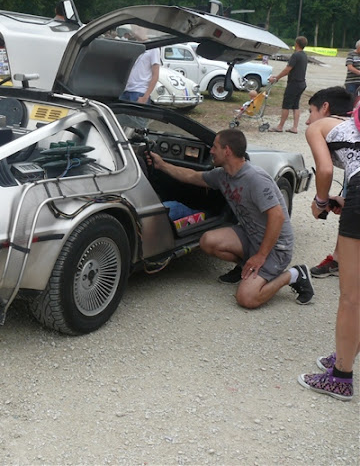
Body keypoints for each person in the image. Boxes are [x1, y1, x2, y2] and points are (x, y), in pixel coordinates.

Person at [149, 129, 314, 308]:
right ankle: (245, 268)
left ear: (227, 151)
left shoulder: (255, 178)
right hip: (251, 236)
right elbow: (191, 176)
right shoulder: (222, 175)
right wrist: (162, 165)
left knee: (246, 299)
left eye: (214, 147)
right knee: (207, 241)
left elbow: (278, 217)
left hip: (275, 248)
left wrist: (260, 256)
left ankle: (295, 275)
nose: (211, 151)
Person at [297, 86, 358, 401]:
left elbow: (323, 169)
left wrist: (320, 201)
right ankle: (344, 356)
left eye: (309, 111)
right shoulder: (353, 127)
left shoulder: (319, 127)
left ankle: (341, 378)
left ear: (322, 108)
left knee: (351, 296)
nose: (308, 118)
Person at [269, 36, 308, 134]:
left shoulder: (295, 55)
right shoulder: (304, 55)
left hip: (293, 83)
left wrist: (276, 78)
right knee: (296, 105)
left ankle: (280, 126)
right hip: (302, 83)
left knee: (286, 105)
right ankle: (295, 127)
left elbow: (287, 69)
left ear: (296, 44)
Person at [119, 27, 160, 104]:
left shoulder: (153, 48)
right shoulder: (133, 46)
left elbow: (155, 74)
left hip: (140, 91)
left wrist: (146, 96)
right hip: (126, 90)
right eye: (134, 29)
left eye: (139, 29)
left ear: (146, 30)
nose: (136, 32)